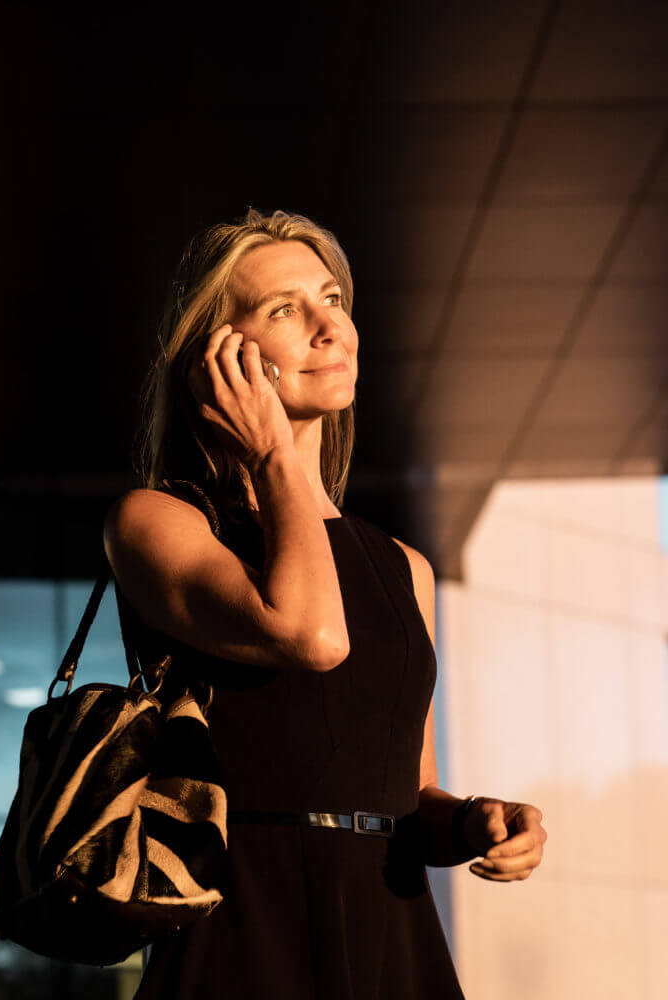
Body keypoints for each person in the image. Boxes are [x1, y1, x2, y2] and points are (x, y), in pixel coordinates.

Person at [103, 208, 547, 998]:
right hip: (239, 939)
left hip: (393, 937)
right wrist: (273, 451)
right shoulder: (160, 522)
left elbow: (406, 795)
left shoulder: (403, 567)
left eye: (332, 297)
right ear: (220, 357)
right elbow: (309, 632)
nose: (328, 325)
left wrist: (479, 817)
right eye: (284, 309)